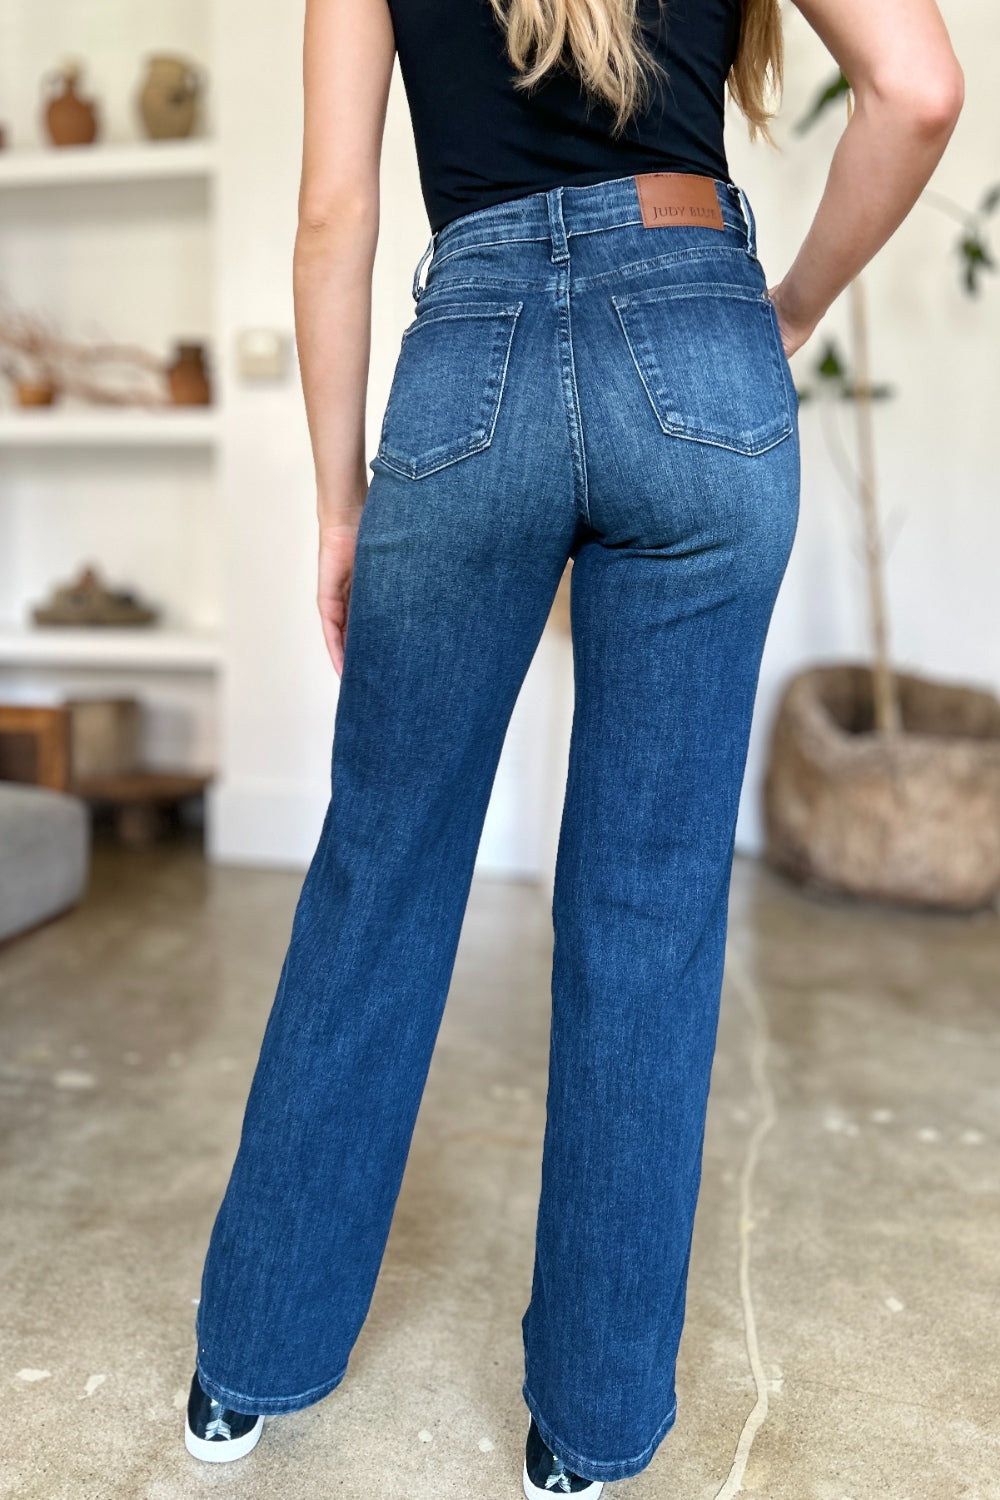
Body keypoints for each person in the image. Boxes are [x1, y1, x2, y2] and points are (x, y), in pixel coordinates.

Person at [182, 0, 963, 1492]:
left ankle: (249, 1368)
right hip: (699, 337)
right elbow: (919, 90)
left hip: (466, 356)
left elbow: (335, 208)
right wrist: (783, 307)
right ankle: (590, 1434)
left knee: (377, 875)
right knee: (651, 905)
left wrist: (343, 505)